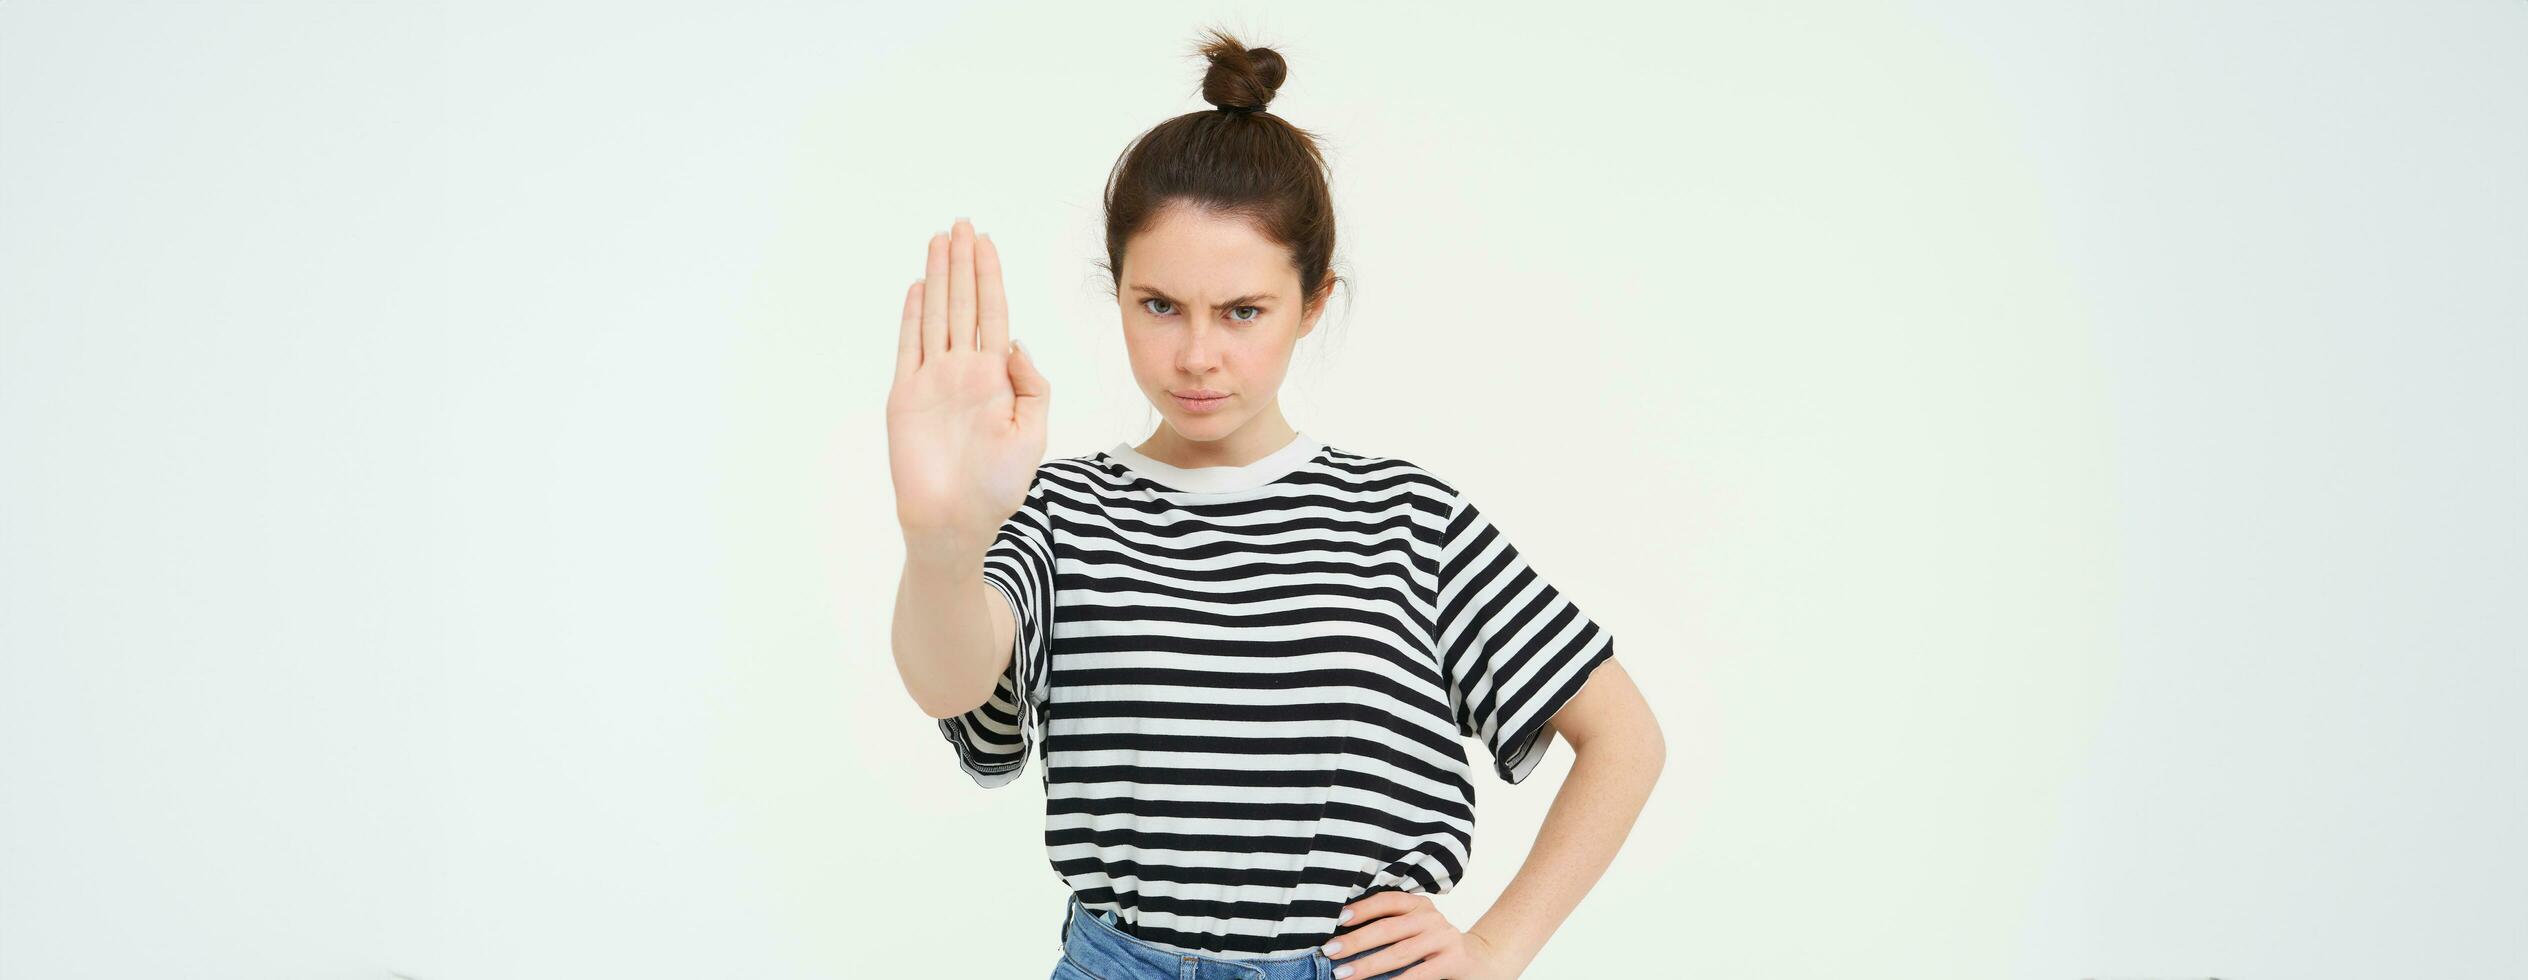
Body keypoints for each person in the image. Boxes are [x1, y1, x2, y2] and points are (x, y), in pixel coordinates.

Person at [887, 28, 1665, 980]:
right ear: (1117, 293)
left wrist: (1498, 948)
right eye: (1159, 304)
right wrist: (941, 542)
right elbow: (953, 684)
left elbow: (1623, 736)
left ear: (1313, 302)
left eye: (1243, 311)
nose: (1197, 355)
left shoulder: (1405, 522)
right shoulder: (1061, 511)